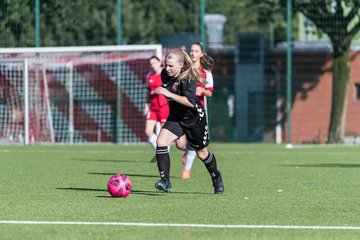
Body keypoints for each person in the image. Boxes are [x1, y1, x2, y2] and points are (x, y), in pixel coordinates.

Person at [153, 48, 224, 194]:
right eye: (166, 65)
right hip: (177, 117)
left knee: (202, 154)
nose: (167, 69)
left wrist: (169, 94)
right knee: (161, 141)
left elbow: (191, 102)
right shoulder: (165, 75)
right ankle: (165, 182)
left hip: (194, 118)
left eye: (171, 66)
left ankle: (216, 177)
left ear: (180, 65)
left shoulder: (188, 78)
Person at [177, 42, 215, 179]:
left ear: (201, 54)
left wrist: (202, 90)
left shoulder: (206, 72)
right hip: (182, 109)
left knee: (195, 144)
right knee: (180, 144)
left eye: (196, 51)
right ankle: (187, 151)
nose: (193, 53)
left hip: (197, 112)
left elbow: (210, 93)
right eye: (191, 50)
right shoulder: (184, 69)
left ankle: (186, 170)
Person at [144, 56, 169, 162]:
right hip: (153, 108)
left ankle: (163, 154)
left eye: (154, 63)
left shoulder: (166, 73)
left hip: (164, 106)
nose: (153, 65)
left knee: (165, 133)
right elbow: (148, 91)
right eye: (151, 63)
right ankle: (159, 152)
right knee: (148, 131)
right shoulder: (149, 75)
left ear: (160, 63)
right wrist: (146, 105)